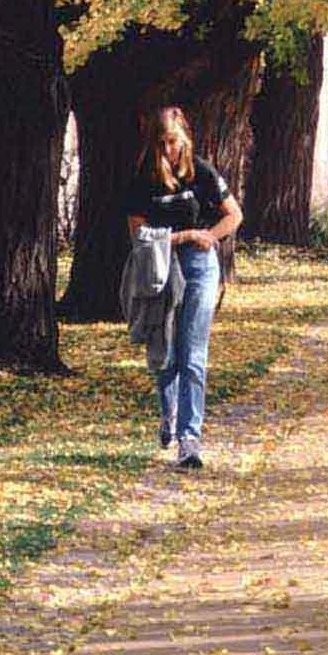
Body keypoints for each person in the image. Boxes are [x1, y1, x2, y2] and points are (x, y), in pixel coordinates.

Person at [126, 105, 242, 469]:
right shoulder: (144, 178)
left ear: (185, 138)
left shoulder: (202, 172)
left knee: (193, 354)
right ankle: (169, 414)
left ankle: (189, 439)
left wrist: (208, 235)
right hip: (162, 268)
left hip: (200, 267)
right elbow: (138, 235)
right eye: (161, 143)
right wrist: (182, 236)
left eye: (173, 141)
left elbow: (234, 215)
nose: (168, 150)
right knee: (167, 352)